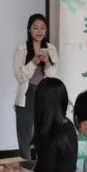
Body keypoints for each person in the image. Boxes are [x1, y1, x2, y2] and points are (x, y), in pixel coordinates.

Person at [13, 14, 58, 161]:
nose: (39, 31)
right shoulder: (21, 49)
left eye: (43, 28)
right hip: (27, 94)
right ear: (29, 29)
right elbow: (20, 76)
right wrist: (33, 62)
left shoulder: (51, 49)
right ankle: (26, 165)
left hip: (45, 94)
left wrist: (47, 62)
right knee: (24, 134)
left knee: (45, 132)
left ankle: (43, 165)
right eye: (35, 27)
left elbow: (53, 76)